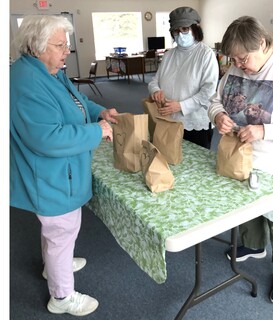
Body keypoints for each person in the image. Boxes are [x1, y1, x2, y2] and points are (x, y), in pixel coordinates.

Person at [10, 15, 119, 316]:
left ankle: (54, 265)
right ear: (36, 46)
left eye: (66, 44)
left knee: (57, 231)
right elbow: (48, 139)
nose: (66, 51)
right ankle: (61, 297)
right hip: (50, 174)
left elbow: (75, 101)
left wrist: (100, 113)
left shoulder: (47, 69)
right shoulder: (27, 82)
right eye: (59, 45)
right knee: (62, 230)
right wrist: (97, 132)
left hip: (56, 173)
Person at [208, 16, 273, 306]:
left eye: (243, 59)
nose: (238, 65)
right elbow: (216, 99)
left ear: (263, 44)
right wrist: (218, 115)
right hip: (246, 157)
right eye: (233, 60)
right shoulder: (237, 64)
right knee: (249, 209)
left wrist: (266, 130)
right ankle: (254, 246)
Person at [148, 6, 219, 149]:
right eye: (176, 30)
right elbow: (154, 81)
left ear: (195, 28)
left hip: (195, 124)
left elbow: (208, 92)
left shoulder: (206, 55)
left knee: (195, 167)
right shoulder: (169, 55)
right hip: (168, 120)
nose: (180, 34)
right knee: (169, 160)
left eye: (185, 29)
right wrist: (155, 91)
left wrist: (180, 106)